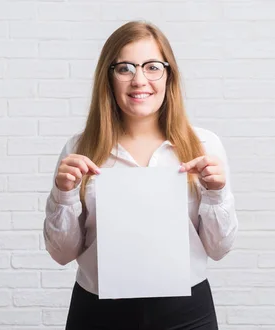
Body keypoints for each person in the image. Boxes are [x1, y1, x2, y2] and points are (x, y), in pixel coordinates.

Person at [43, 20, 238, 330]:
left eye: (152, 67)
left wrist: (217, 194)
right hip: (98, 312)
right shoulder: (80, 148)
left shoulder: (203, 146)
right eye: (125, 68)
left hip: (185, 313)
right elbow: (61, 254)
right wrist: (63, 195)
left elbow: (219, 249)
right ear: (108, 77)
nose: (139, 80)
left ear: (168, 75)